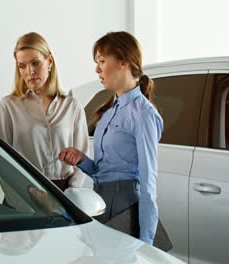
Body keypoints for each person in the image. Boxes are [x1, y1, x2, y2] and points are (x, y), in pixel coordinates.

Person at [59, 31, 163, 245]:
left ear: (124, 62)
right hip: (100, 200)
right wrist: (82, 160)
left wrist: (146, 243)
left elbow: (148, 185)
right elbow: (104, 171)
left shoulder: (143, 114)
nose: (97, 69)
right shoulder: (108, 111)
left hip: (124, 205)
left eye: (102, 61)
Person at [0, 32, 89, 191]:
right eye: (22, 66)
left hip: (65, 193)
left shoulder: (72, 106)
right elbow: (2, 161)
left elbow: (82, 157)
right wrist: (21, 198)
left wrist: (70, 195)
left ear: (50, 62)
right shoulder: (8, 106)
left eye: (35, 63)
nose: (29, 71)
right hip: (25, 194)